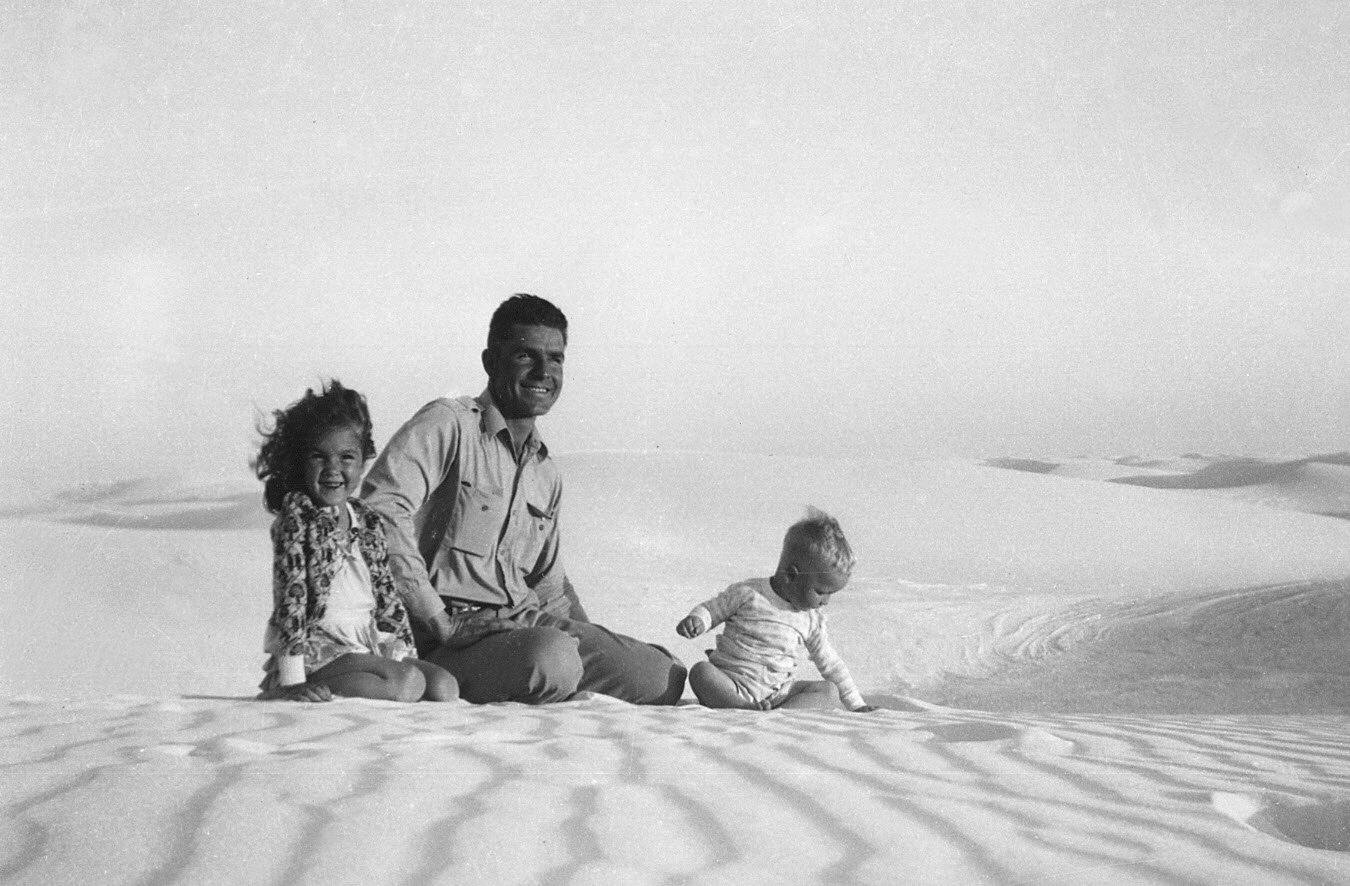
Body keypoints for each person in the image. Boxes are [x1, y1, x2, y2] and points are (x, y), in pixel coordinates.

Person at [360, 294, 686, 705]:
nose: (543, 372)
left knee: (660, 676)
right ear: (491, 361)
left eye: (555, 359)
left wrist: (595, 645)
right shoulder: (449, 424)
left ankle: (566, 673)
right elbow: (380, 508)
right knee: (552, 661)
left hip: (526, 628)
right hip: (451, 638)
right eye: (525, 356)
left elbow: (549, 585)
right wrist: (438, 620)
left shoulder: (544, 471)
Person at [253, 380, 458, 703]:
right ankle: (305, 688)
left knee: (444, 687)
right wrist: (292, 681)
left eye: (346, 457)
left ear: (364, 462)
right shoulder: (299, 516)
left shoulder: (367, 518)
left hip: (367, 643)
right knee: (405, 685)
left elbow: (386, 595)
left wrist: (400, 650)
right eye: (319, 457)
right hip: (321, 649)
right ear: (300, 462)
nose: (333, 469)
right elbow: (290, 601)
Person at [676, 507, 874, 711]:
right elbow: (713, 609)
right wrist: (698, 620)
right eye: (821, 591)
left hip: (778, 694)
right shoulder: (749, 593)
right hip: (731, 683)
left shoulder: (811, 620)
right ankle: (741, 707)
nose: (826, 601)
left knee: (829, 690)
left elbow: (831, 663)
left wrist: (857, 704)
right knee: (701, 672)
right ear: (791, 575)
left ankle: (779, 713)